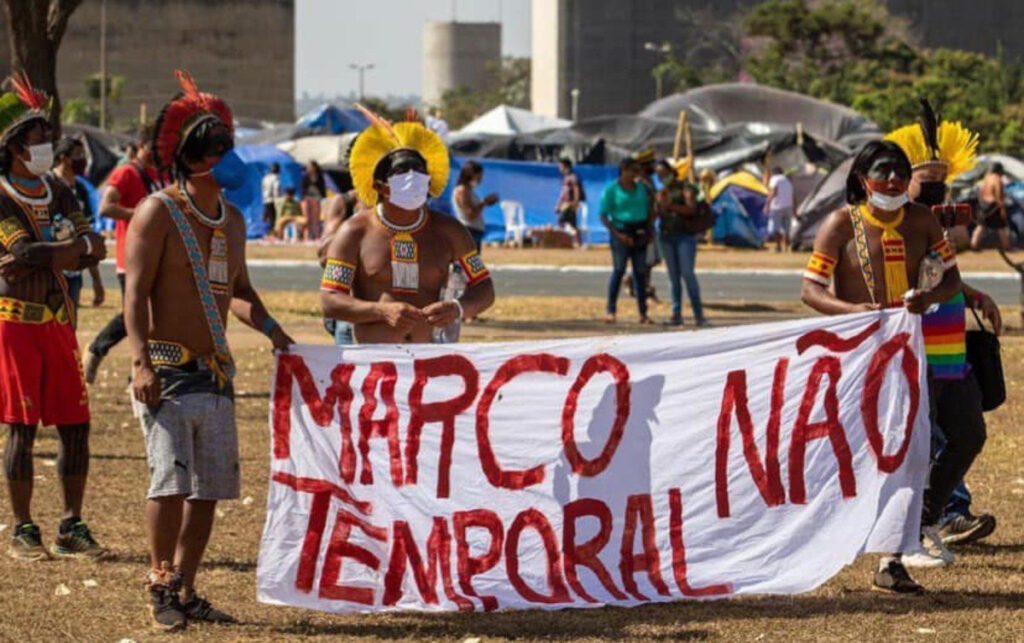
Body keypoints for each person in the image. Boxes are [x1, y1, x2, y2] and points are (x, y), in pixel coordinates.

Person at [125, 70, 293, 631]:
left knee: (208, 491)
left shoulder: (234, 221)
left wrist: (275, 332)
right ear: (200, 158)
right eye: (222, 151)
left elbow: (240, 294)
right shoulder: (157, 211)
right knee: (170, 483)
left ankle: (188, 587)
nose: (231, 162)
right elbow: (135, 293)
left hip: (216, 374)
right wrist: (141, 362)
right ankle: (159, 583)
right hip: (168, 373)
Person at [800, 140, 962, 594]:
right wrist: (850, 310)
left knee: (908, 450)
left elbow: (952, 280)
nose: (892, 180)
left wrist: (926, 298)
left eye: (900, 172)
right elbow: (810, 289)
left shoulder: (922, 221)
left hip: (909, 353)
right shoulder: (840, 224)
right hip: (857, 357)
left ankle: (892, 557)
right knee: (851, 451)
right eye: (883, 171)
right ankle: (822, 541)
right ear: (860, 179)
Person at [0, 74, 108, 562]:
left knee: (75, 423)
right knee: (21, 426)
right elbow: (20, 249)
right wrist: (70, 251)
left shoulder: (59, 191)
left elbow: (95, 245)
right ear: (15, 145)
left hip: (58, 320)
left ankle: (71, 524)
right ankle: (24, 528)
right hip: (14, 322)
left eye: (46, 135)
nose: (47, 143)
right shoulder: (2, 196)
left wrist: (54, 253)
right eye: (38, 137)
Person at [886, 105, 998, 560]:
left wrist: (971, 293)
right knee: (926, 438)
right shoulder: (898, 223)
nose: (934, 191)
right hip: (914, 350)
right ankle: (934, 519)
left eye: (940, 183)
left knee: (965, 434)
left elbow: (942, 274)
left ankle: (938, 513)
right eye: (924, 182)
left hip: (952, 350)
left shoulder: (935, 228)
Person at [321, 107, 494, 344]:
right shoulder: (354, 232)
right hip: (372, 365)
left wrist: (457, 308)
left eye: (420, 172)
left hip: (428, 363)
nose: (413, 179)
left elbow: (484, 286)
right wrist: (381, 311)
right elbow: (330, 300)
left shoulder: (450, 231)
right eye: (402, 172)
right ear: (380, 186)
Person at [83, 124, 161, 383]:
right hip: (130, 258)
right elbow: (105, 207)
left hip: (156, 256)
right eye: (153, 147)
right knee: (137, 313)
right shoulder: (127, 172)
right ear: (141, 145)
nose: (157, 152)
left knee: (153, 316)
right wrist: (139, 214)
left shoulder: (159, 174)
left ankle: (137, 372)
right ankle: (97, 349)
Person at [50, 136, 104, 315]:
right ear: (64, 158)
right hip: (49, 271)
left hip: (74, 272)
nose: (83, 160)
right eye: (78, 154)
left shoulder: (81, 190)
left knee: (69, 328)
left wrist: (96, 280)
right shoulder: (47, 185)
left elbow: (86, 233)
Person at [654, 160, 707, 327]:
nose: (662, 178)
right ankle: (676, 314)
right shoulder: (661, 191)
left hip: (684, 236)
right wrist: (660, 205)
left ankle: (699, 315)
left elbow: (691, 209)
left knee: (687, 274)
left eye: (664, 174)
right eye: (659, 175)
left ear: (671, 172)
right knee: (673, 276)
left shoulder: (686, 187)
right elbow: (658, 213)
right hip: (667, 236)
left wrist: (671, 205)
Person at [601, 157, 653, 324]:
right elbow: (603, 215)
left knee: (640, 272)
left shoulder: (642, 189)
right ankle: (611, 310)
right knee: (619, 270)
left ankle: (643, 313)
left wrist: (649, 229)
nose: (636, 175)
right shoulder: (612, 190)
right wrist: (618, 234)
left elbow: (652, 209)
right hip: (620, 231)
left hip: (640, 231)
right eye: (633, 171)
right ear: (624, 171)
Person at [452, 160, 498, 252]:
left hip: (474, 232)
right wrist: (484, 202)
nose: (481, 179)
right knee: (467, 264)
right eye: (479, 176)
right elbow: (470, 214)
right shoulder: (462, 191)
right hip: (469, 232)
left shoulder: (469, 191)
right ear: (472, 174)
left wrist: (487, 203)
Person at [972, 162, 1010, 250]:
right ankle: (1006, 246)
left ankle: (973, 244)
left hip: (984, 204)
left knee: (981, 226)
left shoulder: (986, 178)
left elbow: (980, 194)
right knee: (1002, 227)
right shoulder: (997, 179)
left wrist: (981, 206)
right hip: (994, 205)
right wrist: (1002, 209)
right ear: (999, 171)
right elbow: (998, 194)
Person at [765, 165, 794, 252]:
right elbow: (793, 196)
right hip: (788, 206)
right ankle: (787, 247)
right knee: (786, 229)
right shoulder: (788, 181)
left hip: (777, 206)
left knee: (776, 228)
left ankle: (778, 247)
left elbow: (773, 191)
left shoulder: (775, 179)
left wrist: (767, 204)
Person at [555, 158, 584, 246]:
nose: (559, 169)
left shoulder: (573, 177)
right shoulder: (565, 178)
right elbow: (563, 193)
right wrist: (559, 203)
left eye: (561, 166)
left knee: (561, 221)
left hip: (570, 203)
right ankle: (578, 243)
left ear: (566, 166)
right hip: (566, 202)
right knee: (572, 223)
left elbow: (576, 189)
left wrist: (576, 202)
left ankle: (574, 234)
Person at [300, 160, 325, 240]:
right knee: (307, 217)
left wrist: (322, 197)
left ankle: (316, 234)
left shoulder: (319, 176)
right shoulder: (305, 176)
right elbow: (303, 188)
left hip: (316, 197)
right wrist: (303, 197)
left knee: (315, 217)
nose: (308, 168)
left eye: (310, 166)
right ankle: (307, 235)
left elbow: (322, 187)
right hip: (307, 197)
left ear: (314, 167)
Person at [260, 161, 281, 232]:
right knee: (273, 217)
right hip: (273, 200)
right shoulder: (276, 177)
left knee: (267, 216)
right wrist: (277, 199)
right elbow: (276, 189)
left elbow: (263, 188)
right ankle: (272, 231)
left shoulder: (265, 178)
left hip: (266, 199)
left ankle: (267, 230)